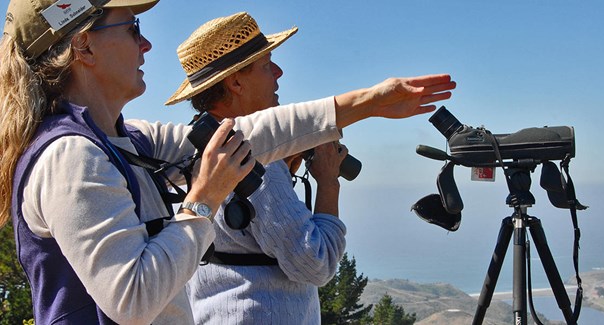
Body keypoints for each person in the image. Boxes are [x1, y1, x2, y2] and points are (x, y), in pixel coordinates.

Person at [0, 1, 454, 324]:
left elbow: (247, 137)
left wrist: (366, 102)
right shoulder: (71, 157)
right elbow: (132, 300)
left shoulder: (125, 138)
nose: (147, 45)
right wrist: (204, 199)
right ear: (84, 46)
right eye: (133, 28)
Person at [163, 12, 454, 324]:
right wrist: (328, 182)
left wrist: (285, 174)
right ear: (235, 82)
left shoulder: (192, 150)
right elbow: (315, 264)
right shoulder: (251, 157)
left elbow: (241, 238)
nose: (278, 72)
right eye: (266, 65)